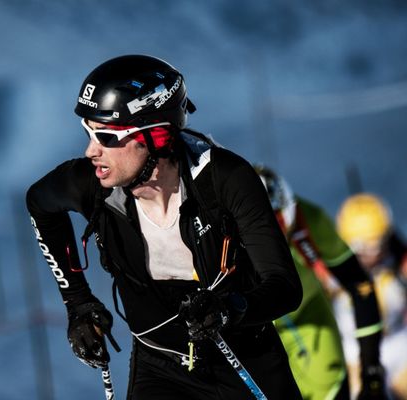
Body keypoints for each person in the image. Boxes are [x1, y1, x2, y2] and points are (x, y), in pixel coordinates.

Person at [26, 54, 303, 399]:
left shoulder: (224, 179)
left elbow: (284, 287)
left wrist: (230, 309)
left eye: (106, 137)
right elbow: (39, 203)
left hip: (245, 360)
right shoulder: (92, 184)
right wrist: (78, 303)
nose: (91, 151)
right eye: (88, 133)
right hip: (160, 369)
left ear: (154, 136)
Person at [254, 165, 388, 400]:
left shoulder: (308, 219)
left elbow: (360, 286)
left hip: (311, 325)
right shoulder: (217, 236)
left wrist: (371, 372)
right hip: (258, 341)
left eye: (285, 231)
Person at [336, 193, 407, 399]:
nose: (374, 254)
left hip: (398, 345)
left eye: (379, 244)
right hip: (355, 355)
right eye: (366, 248)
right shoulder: (332, 274)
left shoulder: (397, 264)